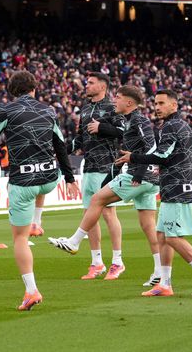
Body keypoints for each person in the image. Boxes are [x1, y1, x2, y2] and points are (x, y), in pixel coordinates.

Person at [0, 71, 73, 312]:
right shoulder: (48, 110)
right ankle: (37, 222)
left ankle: (31, 290)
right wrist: (68, 177)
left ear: (13, 91)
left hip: (23, 181)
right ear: (34, 88)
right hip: (50, 177)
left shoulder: (6, 110)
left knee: (20, 239)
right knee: (39, 182)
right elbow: (60, 144)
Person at [48, 84, 163, 286]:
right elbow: (127, 152)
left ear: (129, 102)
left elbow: (152, 145)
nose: (114, 100)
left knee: (96, 200)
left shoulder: (139, 119)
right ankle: (160, 272)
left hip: (140, 176)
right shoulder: (128, 120)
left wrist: (139, 171)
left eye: (118, 97)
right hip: (148, 179)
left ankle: (74, 241)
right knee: (148, 227)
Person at [117, 89, 192, 298]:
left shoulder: (170, 126)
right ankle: (165, 284)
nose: (157, 107)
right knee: (162, 235)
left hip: (176, 187)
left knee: (172, 238)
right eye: (156, 103)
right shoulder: (184, 126)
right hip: (176, 185)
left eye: (162, 103)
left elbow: (162, 155)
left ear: (174, 105)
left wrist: (134, 157)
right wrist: (176, 165)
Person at [64, 67, 124, 280]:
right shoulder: (86, 108)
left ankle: (117, 261)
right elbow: (80, 138)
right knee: (88, 215)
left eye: (90, 82)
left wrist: (102, 128)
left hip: (107, 166)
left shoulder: (113, 107)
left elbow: (124, 132)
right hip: (89, 167)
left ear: (102, 86)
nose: (86, 85)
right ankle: (97, 262)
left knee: (108, 213)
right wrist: (63, 150)